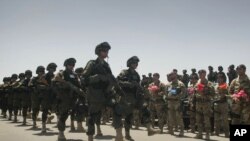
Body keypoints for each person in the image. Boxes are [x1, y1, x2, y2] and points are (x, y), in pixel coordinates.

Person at [114, 56, 159, 141]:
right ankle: (122, 135)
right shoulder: (124, 72)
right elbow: (118, 82)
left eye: (136, 63)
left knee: (145, 109)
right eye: (134, 63)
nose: (136, 65)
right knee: (126, 116)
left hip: (135, 97)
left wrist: (144, 93)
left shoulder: (136, 74)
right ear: (130, 64)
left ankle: (149, 129)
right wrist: (129, 83)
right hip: (126, 97)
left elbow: (138, 85)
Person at [82, 42, 113, 141]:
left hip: (104, 94)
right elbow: (83, 79)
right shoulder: (92, 63)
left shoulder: (106, 65)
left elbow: (111, 78)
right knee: (92, 115)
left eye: (107, 50)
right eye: (104, 50)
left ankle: (119, 134)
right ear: (99, 51)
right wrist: (98, 77)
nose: (106, 52)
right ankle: (90, 137)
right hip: (94, 94)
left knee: (116, 108)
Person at [53, 58, 84, 141]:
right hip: (65, 97)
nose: (72, 66)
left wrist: (79, 89)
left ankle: (78, 125)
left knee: (81, 109)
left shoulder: (75, 74)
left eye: (73, 64)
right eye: (70, 64)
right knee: (64, 115)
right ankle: (61, 133)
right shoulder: (61, 73)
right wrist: (65, 85)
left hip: (74, 97)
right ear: (66, 65)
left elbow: (79, 84)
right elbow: (55, 80)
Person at [194, 69, 215, 140]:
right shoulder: (197, 83)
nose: (200, 75)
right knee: (198, 119)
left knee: (206, 119)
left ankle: (207, 134)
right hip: (198, 103)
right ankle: (200, 133)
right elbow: (194, 92)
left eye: (201, 73)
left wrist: (205, 95)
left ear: (205, 74)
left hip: (206, 103)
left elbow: (213, 94)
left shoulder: (209, 83)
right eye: (199, 73)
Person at [165, 72, 186, 136]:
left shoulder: (180, 84)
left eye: (172, 75)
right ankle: (171, 130)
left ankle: (181, 130)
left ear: (176, 75)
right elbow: (166, 92)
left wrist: (177, 97)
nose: (171, 76)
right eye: (170, 75)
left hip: (177, 103)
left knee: (178, 117)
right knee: (170, 116)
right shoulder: (168, 84)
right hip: (170, 102)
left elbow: (183, 93)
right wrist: (167, 97)